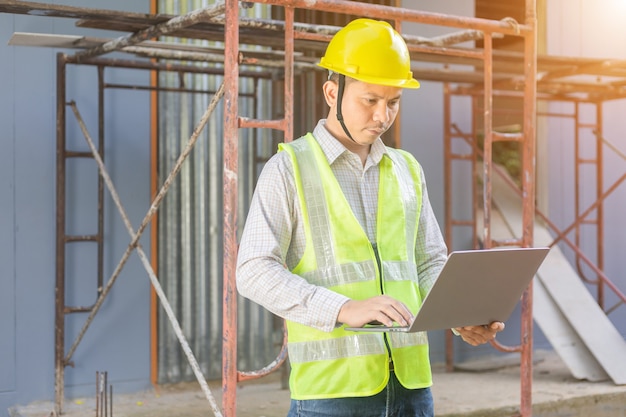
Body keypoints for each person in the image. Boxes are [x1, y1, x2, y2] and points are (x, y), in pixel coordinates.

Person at [236, 18, 504, 417]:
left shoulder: (407, 169)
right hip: (333, 395)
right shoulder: (288, 168)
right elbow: (253, 270)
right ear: (332, 91)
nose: (382, 115)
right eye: (370, 100)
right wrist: (343, 308)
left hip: (412, 388)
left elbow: (428, 261)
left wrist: (459, 316)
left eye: (393, 101)